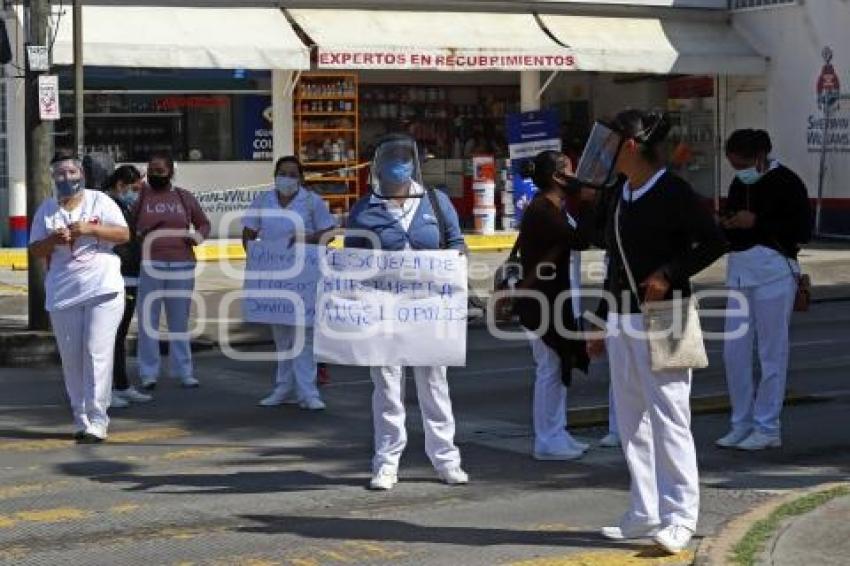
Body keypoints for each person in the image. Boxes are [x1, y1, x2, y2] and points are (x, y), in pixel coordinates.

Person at [586, 110, 727, 554]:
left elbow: (714, 240)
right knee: (630, 419)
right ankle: (643, 509)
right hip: (624, 319)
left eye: (612, 142)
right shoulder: (620, 193)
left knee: (669, 417)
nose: (605, 150)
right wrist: (600, 320)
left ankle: (680, 516)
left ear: (632, 147)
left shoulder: (672, 191)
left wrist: (669, 272)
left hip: (668, 315)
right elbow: (612, 263)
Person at [345, 133, 469, 490]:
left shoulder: (435, 202)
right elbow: (352, 261)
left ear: (414, 162)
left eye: (403, 158)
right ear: (377, 165)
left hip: (429, 312)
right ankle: (386, 463)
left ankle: (446, 459)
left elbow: (457, 244)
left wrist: (457, 264)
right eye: (390, 159)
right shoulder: (364, 209)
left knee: (435, 385)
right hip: (383, 313)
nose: (396, 166)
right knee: (386, 388)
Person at [717, 129, 812, 451]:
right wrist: (728, 223)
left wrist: (755, 222)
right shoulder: (738, 183)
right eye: (732, 164)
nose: (737, 170)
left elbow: (802, 231)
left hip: (774, 272)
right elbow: (733, 222)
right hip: (740, 272)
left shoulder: (788, 182)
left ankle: (768, 426)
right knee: (734, 353)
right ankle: (740, 423)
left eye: (741, 162)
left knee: (772, 353)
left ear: (758, 157)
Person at [28, 154, 130, 442]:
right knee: (72, 358)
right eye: (60, 174)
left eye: (71, 172)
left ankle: (98, 420)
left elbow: (124, 234)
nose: (66, 178)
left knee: (96, 352)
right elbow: (35, 250)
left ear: (82, 174)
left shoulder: (100, 201)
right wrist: (53, 241)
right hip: (63, 292)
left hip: (103, 287)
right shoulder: (46, 210)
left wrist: (91, 229)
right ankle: (80, 417)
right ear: (53, 177)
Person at [515, 151, 595, 461]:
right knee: (549, 369)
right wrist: (587, 202)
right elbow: (579, 241)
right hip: (542, 304)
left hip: (560, 300)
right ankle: (547, 439)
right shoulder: (541, 210)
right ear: (558, 178)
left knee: (560, 366)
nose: (577, 177)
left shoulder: (554, 207)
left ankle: (558, 431)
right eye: (571, 172)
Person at [242, 156, 337, 410]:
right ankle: (283, 389)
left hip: (304, 280)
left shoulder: (311, 202)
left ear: (301, 178)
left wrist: (307, 237)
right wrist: (257, 261)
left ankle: (308, 392)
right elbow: (249, 233)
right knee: (282, 337)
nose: (287, 178)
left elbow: (329, 234)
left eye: (293, 174)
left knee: (304, 337)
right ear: (275, 176)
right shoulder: (263, 200)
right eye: (282, 173)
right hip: (274, 279)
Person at [134, 152, 211, 390]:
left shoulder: (183, 197)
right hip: (149, 264)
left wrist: (196, 238)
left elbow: (204, 223)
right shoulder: (141, 197)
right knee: (149, 321)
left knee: (179, 321)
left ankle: (183, 370)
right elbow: (126, 224)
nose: (155, 176)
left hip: (182, 263)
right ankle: (148, 372)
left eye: (160, 171)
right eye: (151, 171)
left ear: (171, 173)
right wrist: (139, 234)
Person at [105, 165, 153, 408]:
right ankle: (106, 389)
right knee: (110, 336)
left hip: (131, 275)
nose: (136, 193)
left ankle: (121, 384)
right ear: (120, 185)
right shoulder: (107, 205)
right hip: (118, 275)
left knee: (120, 335)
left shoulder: (124, 205)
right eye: (133, 188)